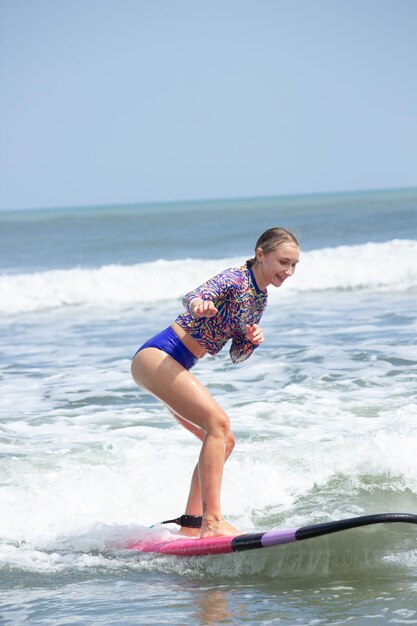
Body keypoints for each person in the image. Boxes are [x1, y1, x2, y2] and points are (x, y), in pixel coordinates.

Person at [131, 227, 300, 538]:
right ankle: (212, 520)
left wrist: (250, 341)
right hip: (158, 356)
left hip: (176, 365)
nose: (288, 271)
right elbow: (194, 296)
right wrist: (199, 306)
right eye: (283, 262)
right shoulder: (234, 279)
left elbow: (235, 355)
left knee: (225, 439)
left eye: (293, 265)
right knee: (218, 424)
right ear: (260, 255)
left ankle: (190, 523)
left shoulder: (259, 298)